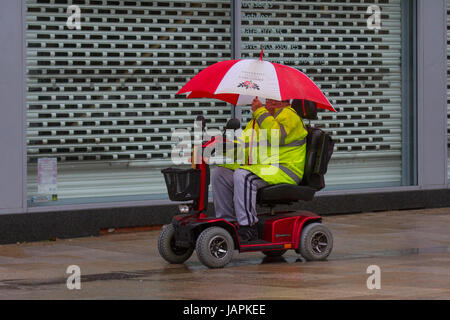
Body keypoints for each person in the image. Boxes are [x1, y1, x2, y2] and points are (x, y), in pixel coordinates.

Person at [211, 97, 308, 242]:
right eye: (269, 100)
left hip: (284, 170)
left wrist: (260, 112)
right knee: (220, 173)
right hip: (264, 168)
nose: (271, 104)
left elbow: (277, 135)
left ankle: (248, 226)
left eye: (276, 101)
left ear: (287, 103)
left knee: (244, 176)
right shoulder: (258, 121)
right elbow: (244, 150)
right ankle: (228, 223)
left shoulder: (290, 115)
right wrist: (224, 146)